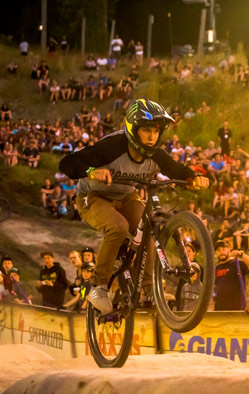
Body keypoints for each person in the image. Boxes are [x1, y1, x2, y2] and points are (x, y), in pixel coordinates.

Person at [59, 99, 209, 314]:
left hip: (127, 197)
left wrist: (194, 178)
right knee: (118, 227)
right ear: (133, 130)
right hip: (93, 196)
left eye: (156, 131)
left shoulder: (155, 153)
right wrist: (93, 171)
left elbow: (175, 169)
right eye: (146, 130)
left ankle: (149, 291)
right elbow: (68, 163)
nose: (152, 136)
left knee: (149, 231)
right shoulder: (113, 146)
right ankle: (99, 287)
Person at [213, 239, 249, 311]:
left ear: (229, 249)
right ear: (216, 253)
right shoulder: (217, 267)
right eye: (218, 250)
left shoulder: (237, 263)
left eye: (223, 249)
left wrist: (241, 254)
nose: (221, 252)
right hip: (220, 307)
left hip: (236, 306)